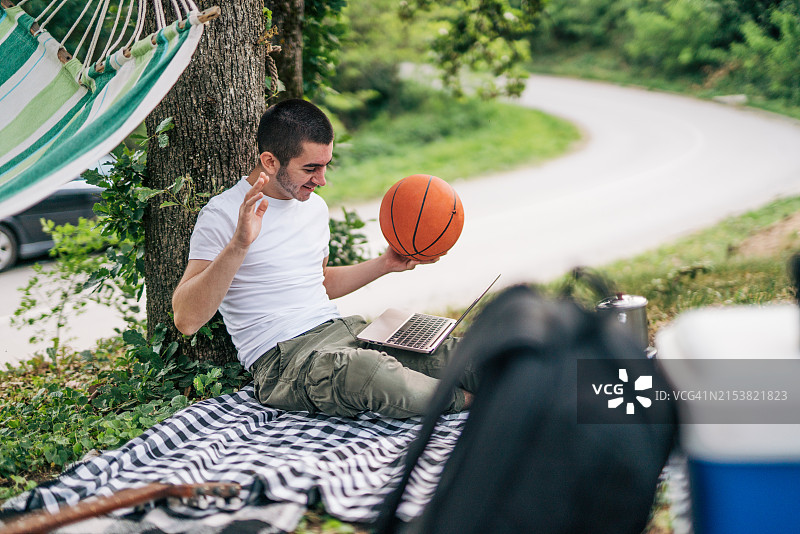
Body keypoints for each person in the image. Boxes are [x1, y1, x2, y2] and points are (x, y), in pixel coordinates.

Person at [172, 99, 475, 419]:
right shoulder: (222, 214)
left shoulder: (314, 207)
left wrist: (385, 263)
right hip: (285, 359)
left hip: (346, 332)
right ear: (270, 162)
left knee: (460, 354)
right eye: (310, 168)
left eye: (325, 165)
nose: (322, 180)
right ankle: (478, 402)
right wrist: (239, 244)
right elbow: (186, 320)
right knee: (368, 372)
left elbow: (320, 281)